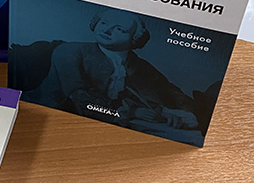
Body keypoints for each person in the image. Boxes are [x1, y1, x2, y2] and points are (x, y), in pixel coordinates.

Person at [28, 8, 202, 133]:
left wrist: (184, 113)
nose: (107, 30)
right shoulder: (70, 51)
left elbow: (170, 91)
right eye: (104, 23)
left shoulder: (139, 65)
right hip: (52, 117)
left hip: (113, 124)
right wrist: (131, 112)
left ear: (134, 38)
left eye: (119, 29)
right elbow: (79, 96)